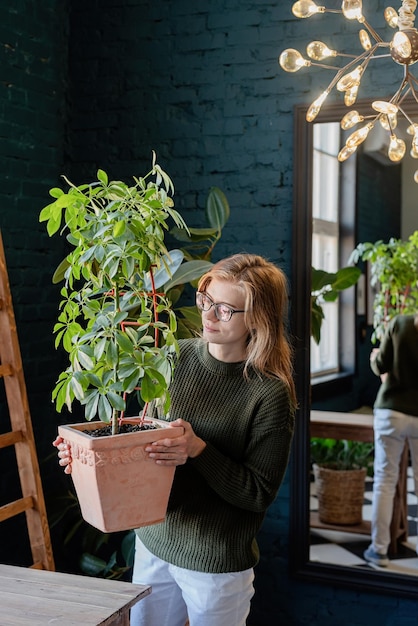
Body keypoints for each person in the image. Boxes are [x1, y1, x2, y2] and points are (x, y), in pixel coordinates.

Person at [54, 253, 297, 626]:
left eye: (226, 310)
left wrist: (199, 449)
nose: (209, 316)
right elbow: (140, 441)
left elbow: (258, 493)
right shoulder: (175, 357)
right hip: (155, 542)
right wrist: (91, 459)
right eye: (206, 301)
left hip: (215, 563)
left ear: (258, 318)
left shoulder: (269, 394)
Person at [364, 313, 418, 568]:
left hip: (391, 410)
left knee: (384, 481)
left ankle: (379, 550)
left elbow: (381, 365)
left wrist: (375, 358)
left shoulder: (401, 323)